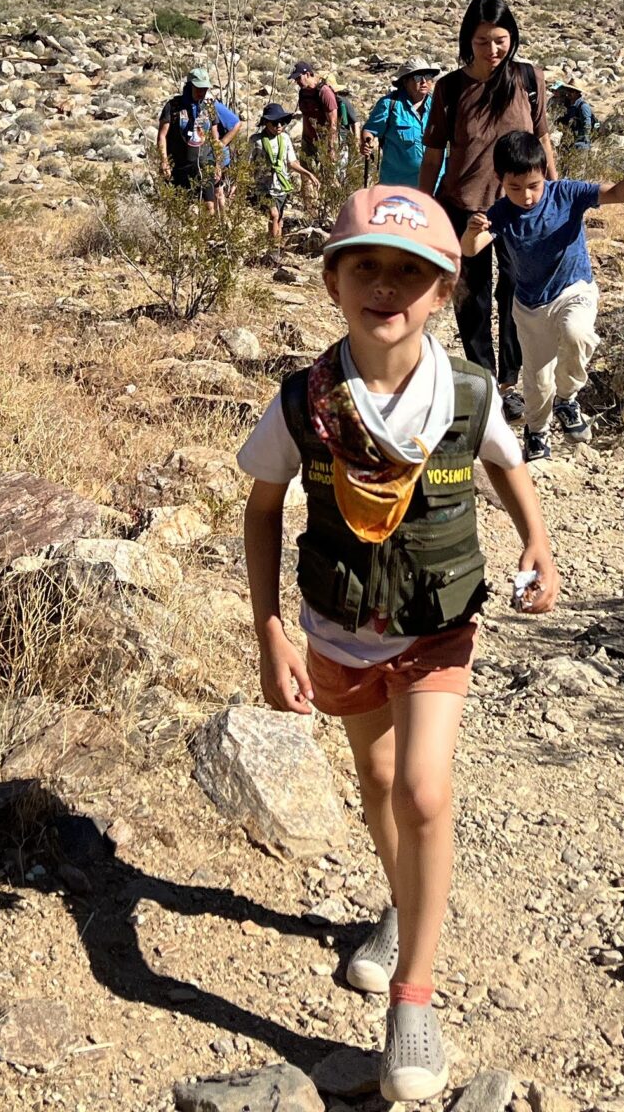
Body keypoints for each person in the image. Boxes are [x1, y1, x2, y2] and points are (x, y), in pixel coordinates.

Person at [239, 186, 560, 1102]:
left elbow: (504, 460)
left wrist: (536, 540)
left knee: (423, 789)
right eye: (366, 267)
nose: (388, 286)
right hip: (338, 630)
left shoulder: (464, 391)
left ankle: (413, 997)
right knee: (377, 787)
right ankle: (401, 904)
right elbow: (264, 507)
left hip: (436, 626)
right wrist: (269, 629)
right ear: (334, 281)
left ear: (444, 291)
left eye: (411, 272)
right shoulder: (305, 403)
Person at [461, 131, 624, 459]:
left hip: (573, 289)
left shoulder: (567, 193)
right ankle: (537, 432)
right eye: (515, 188)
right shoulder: (502, 212)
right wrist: (471, 231)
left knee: (577, 334)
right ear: (499, 179)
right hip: (531, 306)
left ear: (545, 172)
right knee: (537, 383)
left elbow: (616, 194)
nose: (527, 196)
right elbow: (472, 249)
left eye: (533, 186)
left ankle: (568, 398)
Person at [417, 0, 552, 423]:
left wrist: (554, 196)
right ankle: (483, 379)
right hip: (463, 207)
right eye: (481, 42)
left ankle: (510, 383)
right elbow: (434, 153)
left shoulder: (529, 80)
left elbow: (543, 141)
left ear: (511, 38)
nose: (492, 51)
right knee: (470, 300)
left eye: (500, 40)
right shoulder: (450, 89)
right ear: (467, 41)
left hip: (519, 209)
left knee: (516, 296)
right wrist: (424, 208)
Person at [157, 67, 237, 201]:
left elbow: (215, 137)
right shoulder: (173, 106)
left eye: (205, 88)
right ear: (190, 86)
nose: (202, 92)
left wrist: (218, 164)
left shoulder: (209, 106)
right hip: (179, 165)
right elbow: (162, 136)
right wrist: (164, 161)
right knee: (180, 206)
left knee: (210, 205)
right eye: (198, 88)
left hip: (205, 163)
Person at [361, 60, 440, 189]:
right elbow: (370, 130)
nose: (424, 81)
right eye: (418, 77)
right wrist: (366, 143)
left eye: (428, 77)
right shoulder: (389, 104)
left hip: (434, 186)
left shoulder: (438, 105)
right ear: (405, 81)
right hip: (398, 187)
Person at [249, 101, 302, 249]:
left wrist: (308, 174)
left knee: (279, 219)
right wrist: (236, 184)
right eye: (275, 123)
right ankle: (273, 250)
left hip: (281, 184)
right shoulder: (256, 141)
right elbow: (246, 164)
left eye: (282, 122)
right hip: (264, 186)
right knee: (274, 215)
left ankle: (275, 248)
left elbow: (291, 162)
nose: (279, 126)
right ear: (267, 123)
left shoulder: (285, 139)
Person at [294, 59, 343, 194]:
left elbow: (333, 123)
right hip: (309, 139)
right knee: (306, 172)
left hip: (325, 140)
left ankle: (335, 204)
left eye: (299, 78)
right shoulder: (303, 92)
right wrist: (306, 137)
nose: (297, 81)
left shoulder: (324, 92)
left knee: (329, 174)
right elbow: (305, 115)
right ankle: (311, 207)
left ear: (308, 74)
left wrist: (331, 148)